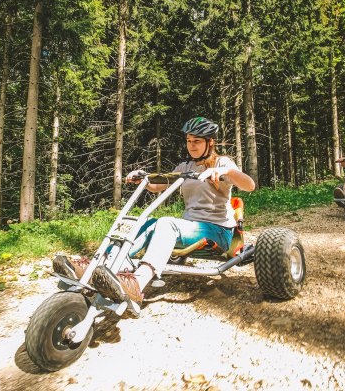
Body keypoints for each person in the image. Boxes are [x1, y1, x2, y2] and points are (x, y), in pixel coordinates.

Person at [53, 116, 255, 314]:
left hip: (219, 231)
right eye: (188, 141)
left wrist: (226, 171)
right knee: (146, 222)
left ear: (210, 142)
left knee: (167, 223)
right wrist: (143, 177)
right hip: (190, 228)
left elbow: (249, 185)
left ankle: (138, 283)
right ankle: (102, 268)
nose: (191, 146)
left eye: (197, 141)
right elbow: (158, 185)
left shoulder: (222, 162)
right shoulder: (185, 167)